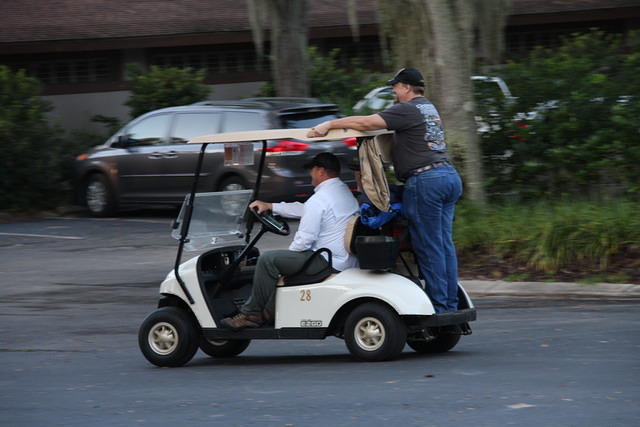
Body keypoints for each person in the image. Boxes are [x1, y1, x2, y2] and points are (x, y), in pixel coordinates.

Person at [307, 68, 463, 313]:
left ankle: (441, 308)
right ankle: (450, 303)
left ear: (406, 88)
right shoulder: (428, 108)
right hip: (447, 176)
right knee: (444, 244)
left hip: (426, 181)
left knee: (428, 245)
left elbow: (366, 122)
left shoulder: (407, 109)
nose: (393, 91)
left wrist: (330, 124)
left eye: (396, 86)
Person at [221, 152, 359, 329]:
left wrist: (289, 257)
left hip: (325, 260)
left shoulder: (320, 199)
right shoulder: (341, 191)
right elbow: (305, 210)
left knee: (268, 260)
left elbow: (304, 240)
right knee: (280, 262)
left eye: (312, 170)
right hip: (342, 258)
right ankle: (268, 312)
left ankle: (250, 314)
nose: (311, 174)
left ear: (321, 171)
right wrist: (271, 206)